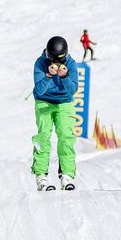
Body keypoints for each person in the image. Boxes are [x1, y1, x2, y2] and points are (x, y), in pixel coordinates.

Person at [32, 36, 79, 191]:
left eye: (60, 61)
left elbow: (73, 90)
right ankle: (41, 176)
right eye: (54, 60)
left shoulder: (70, 64)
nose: (57, 64)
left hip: (64, 102)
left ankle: (67, 174)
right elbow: (39, 90)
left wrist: (64, 77)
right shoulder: (40, 63)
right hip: (44, 101)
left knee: (66, 137)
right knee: (43, 136)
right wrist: (48, 75)